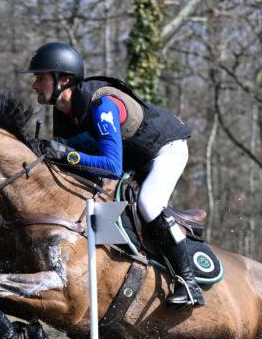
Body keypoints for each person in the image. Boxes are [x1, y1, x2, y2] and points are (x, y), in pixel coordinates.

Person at [21, 41, 203, 307]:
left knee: (148, 204)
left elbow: (111, 166)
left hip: (165, 149)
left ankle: (189, 283)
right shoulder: (62, 114)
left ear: (64, 80)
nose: (35, 85)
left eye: (41, 78)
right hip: (134, 158)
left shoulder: (101, 105)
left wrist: (65, 154)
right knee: (103, 208)